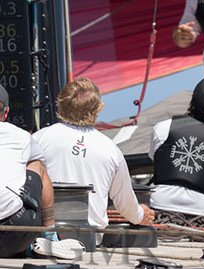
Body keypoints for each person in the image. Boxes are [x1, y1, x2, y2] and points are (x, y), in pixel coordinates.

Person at [33, 79, 149, 233]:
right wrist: (141, 215)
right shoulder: (111, 150)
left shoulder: (39, 139)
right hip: (88, 239)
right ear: (98, 109)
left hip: (44, 235)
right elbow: (125, 204)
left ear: (60, 103)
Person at [148, 76, 204, 228]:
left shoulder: (162, 128)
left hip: (159, 209)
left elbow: (158, 165)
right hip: (201, 217)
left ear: (194, 98)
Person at [0, 85, 52, 257]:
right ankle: (50, 236)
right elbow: (40, 168)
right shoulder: (20, 136)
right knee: (36, 164)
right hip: (15, 234)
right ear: (5, 113)